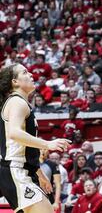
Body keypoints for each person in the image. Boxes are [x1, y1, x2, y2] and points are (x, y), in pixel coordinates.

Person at [0, 63, 70, 213]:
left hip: (21, 170)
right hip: (16, 171)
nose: (31, 74)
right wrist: (48, 144)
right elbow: (14, 133)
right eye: (25, 72)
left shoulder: (20, 103)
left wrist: (40, 173)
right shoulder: (17, 102)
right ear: (15, 82)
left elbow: (24, 148)